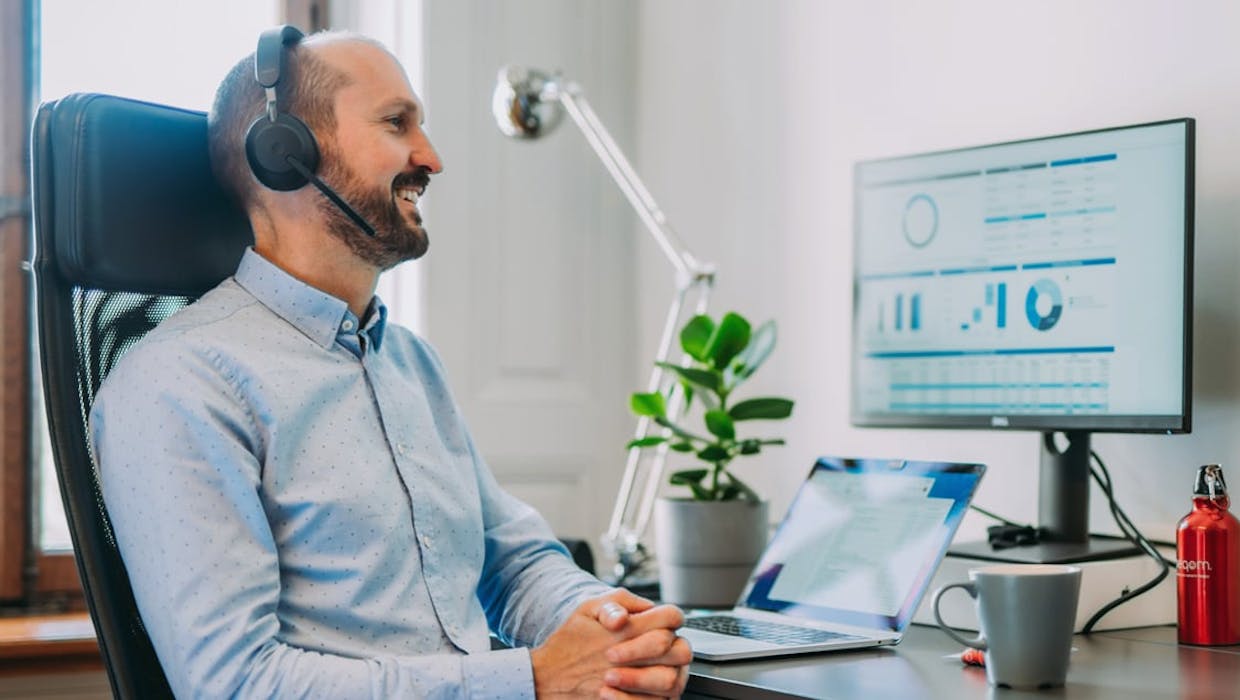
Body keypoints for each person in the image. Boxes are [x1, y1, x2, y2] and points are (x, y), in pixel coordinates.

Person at [89, 28, 691, 699]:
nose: (431, 158)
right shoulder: (181, 384)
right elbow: (235, 683)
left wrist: (618, 630)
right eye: (397, 123)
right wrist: (531, 680)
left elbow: (512, 562)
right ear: (285, 152)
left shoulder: (409, 363)